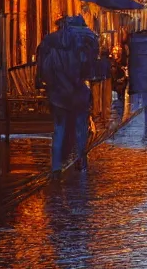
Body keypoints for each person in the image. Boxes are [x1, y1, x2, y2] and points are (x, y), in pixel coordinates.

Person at [36, 15, 99, 177]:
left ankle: (56, 167)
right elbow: (89, 69)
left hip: (58, 94)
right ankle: (81, 160)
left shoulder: (50, 42)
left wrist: (48, 84)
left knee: (59, 130)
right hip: (78, 93)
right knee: (80, 129)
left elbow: (43, 68)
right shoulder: (84, 42)